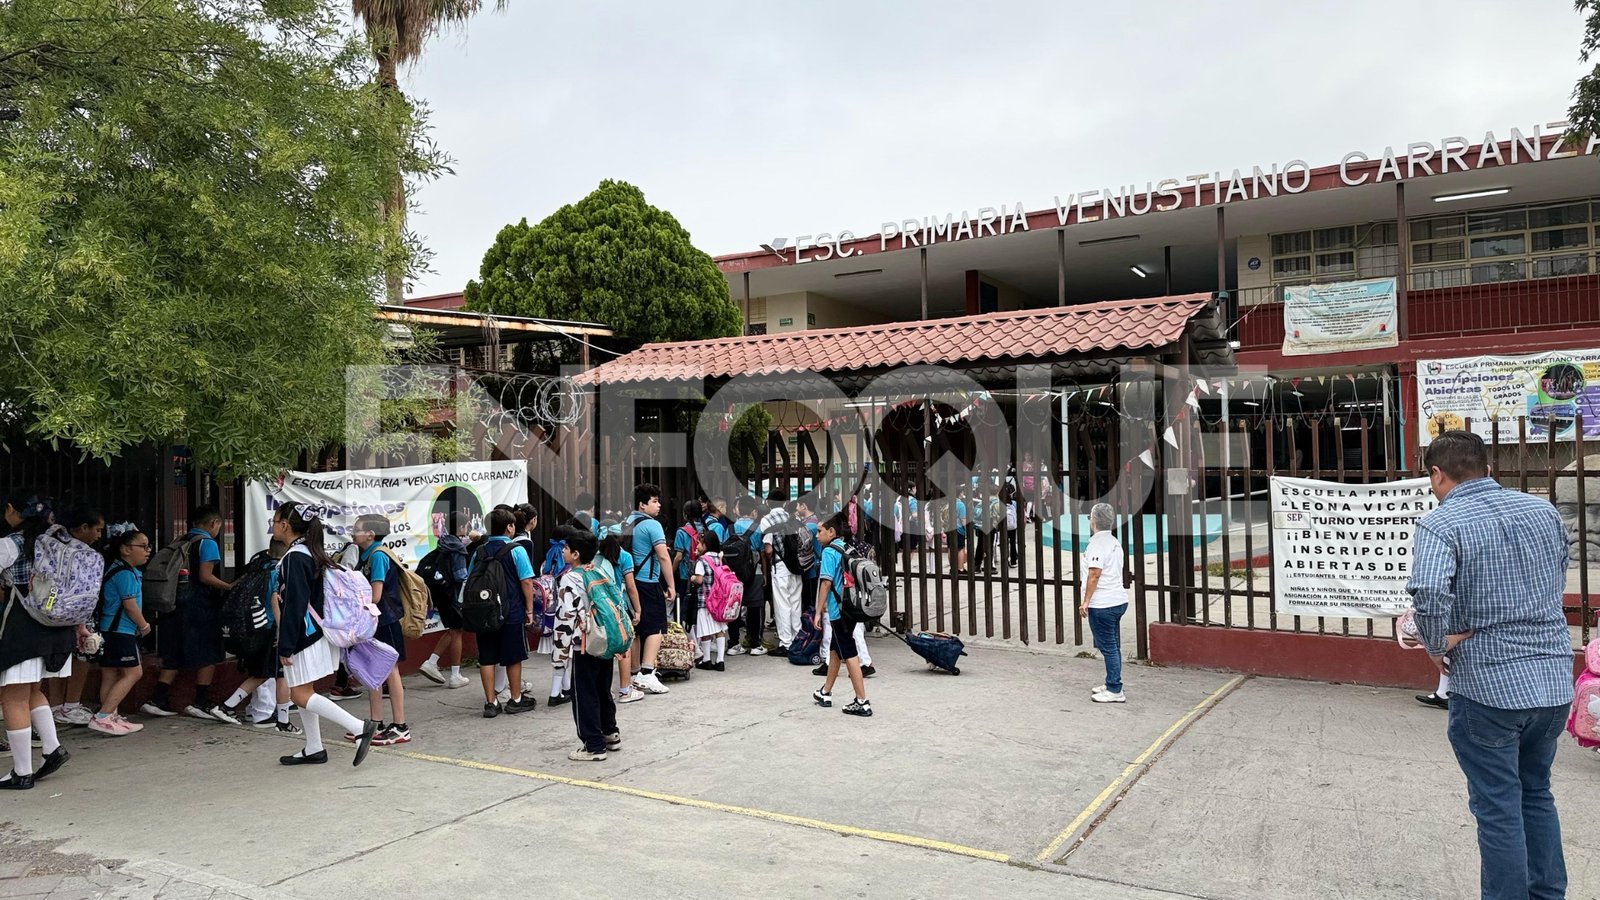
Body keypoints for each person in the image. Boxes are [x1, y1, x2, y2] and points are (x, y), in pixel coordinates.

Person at [1407, 430, 1573, 900]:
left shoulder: (1442, 523)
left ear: (1438, 474)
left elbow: (1430, 593)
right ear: (1486, 466)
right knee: (1536, 793)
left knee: (1499, 807)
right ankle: (1547, 894)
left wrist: (1436, 646)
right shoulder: (1542, 511)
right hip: (1551, 682)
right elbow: (1557, 573)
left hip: (1489, 687)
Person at [271, 503, 379, 767]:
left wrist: (285, 646)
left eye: (274, 520)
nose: (272, 525)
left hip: (303, 635)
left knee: (299, 695)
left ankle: (359, 727)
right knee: (305, 689)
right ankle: (314, 747)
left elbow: (295, 604)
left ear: (285, 524)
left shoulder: (296, 556)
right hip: (314, 633)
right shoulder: (309, 552)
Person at [0, 492, 76, 788]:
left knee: (11, 695)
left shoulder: (9, 545)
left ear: (11, 510)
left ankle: (22, 772)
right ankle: (52, 747)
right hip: (55, 627)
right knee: (32, 689)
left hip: (22, 627)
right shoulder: (58, 544)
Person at [143, 506, 233, 721]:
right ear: (213, 524)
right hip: (198, 606)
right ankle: (201, 701)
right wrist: (229, 588)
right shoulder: (207, 543)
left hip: (173, 605)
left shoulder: (180, 541)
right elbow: (205, 576)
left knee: (173, 652)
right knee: (209, 652)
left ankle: (158, 698)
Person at [555, 529, 619, 761]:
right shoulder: (601, 570)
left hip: (585, 642)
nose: (562, 551)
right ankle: (610, 732)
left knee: (584, 692)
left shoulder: (570, 577)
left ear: (575, 554)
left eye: (565, 548)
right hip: (606, 638)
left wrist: (560, 653)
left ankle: (593, 745)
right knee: (603, 688)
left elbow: (565, 616)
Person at [469, 508, 539, 718]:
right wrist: (530, 610)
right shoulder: (516, 550)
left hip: (484, 612)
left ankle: (491, 702)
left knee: (487, 657)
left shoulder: (479, 551)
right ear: (509, 527)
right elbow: (526, 581)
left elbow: (471, 578)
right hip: (511, 611)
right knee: (513, 656)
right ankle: (516, 699)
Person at [349, 515, 409, 746]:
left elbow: (375, 595)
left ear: (371, 535)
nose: (353, 532)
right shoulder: (365, 555)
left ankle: (400, 725)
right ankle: (376, 722)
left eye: (357, 529)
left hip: (386, 621)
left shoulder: (378, 556)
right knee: (373, 671)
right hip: (373, 622)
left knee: (390, 671)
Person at [89, 526, 153, 735]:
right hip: (121, 632)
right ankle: (104, 716)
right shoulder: (125, 574)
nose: (147, 550)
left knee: (110, 674)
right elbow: (130, 606)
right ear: (125, 549)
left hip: (109, 631)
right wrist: (143, 626)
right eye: (142, 546)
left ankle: (110, 715)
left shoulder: (117, 569)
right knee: (134, 672)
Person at [47, 505, 104, 728]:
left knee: (55, 659)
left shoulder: (51, 544)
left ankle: (53, 706)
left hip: (51, 610)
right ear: (83, 528)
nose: (99, 535)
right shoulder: (85, 555)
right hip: (79, 611)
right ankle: (71, 705)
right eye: (97, 530)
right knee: (83, 656)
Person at [810, 513, 872, 718]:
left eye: (819, 531)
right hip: (850, 606)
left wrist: (818, 611)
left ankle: (862, 701)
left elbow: (826, 582)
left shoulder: (829, 551)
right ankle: (825, 692)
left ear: (831, 532)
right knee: (835, 649)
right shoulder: (846, 547)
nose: (817, 535)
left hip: (838, 609)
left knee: (848, 651)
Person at [623, 484, 673, 696]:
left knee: (635, 629)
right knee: (655, 628)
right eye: (654, 501)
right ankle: (647, 672)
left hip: (629, 582)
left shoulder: (626, 522)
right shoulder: (652, 526)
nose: (658, 505)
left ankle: (634, 673)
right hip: (648, 582)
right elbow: (663, 556)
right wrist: (671, 585)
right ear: (642, 505)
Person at [418, 510, 473, 689]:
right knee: (457, 631)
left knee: (452, 630)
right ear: (463, 527)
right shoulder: (457, 548)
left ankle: (431, 662)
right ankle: (455, 675)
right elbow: (460, 576)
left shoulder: (443, 543)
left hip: (441, 594)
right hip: (454, 595)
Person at [1079, 503, 1128, 704]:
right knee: (1113, 645)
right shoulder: (1114, 542)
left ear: (1094, 521)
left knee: (1108, 647)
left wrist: (1085, 601)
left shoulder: (1097, 545)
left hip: (1103, 603)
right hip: (1117, 600)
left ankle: (1115, 688)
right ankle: (1110, 682)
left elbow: (1094, 574)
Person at [595, 522, 643, 704]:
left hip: (599, 607)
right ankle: (625, 690)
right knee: (624, 647)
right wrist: (637, 610)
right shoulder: (625, 556)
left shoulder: (595, 557)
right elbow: (630, 587)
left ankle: (604, 691)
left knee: (603, 650)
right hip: (619, 607)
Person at [761, 491, 803, 655]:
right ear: (785, 503)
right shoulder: (795, 518)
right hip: (797, 567)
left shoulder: (767, 520)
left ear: (769, 503)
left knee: (782, 605)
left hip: (780, 566)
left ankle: (786, 643)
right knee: (795, 603)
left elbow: (768, 549)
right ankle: (798, 639)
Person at [727, 497, 766, 656]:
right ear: (753, 511)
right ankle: (755, 644)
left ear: (737, 510)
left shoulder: (730, 528)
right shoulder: (757, 527)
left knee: (734, 607)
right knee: (754, 608)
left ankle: (734, 643)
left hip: (733, 574)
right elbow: (763, 552)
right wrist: (765, 573)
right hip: (754, 571)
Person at [690, 531, 727, 671]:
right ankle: (720, 660)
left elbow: (699, 579)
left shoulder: (702, 560)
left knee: (705, 631)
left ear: (705, 545)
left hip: (705, 601)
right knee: (719, 629)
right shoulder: (719, 557)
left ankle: (706, 659)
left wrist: (693, 578)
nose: (697, 545)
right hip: (719, 601)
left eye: (699, 543)